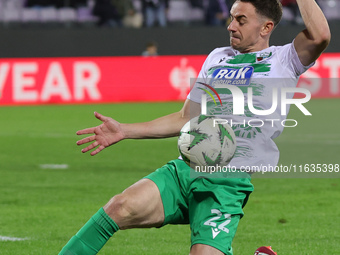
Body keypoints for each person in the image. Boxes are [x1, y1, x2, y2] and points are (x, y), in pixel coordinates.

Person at [58, 0, 330, 254]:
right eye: (232, 18)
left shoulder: (283, 61)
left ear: (266, 27)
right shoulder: (217, 58)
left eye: (241, 20)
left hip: (226, 181)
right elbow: (185, 117)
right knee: (119, 207)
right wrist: (125, 130)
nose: (231, 25)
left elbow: (319, 36)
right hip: (185, 168)